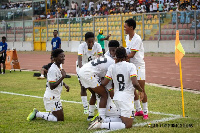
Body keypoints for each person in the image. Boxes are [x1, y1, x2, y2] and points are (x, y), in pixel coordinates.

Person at [88, 46, 144, 130]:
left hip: (117, 97)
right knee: (128, 124)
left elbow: (104, 83)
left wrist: (96, 79)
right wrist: (141, 91)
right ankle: (100, 125)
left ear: (116, 56)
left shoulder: (112, 67)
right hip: (126, 98)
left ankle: (103, 120)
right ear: (125, 56)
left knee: (123, 118)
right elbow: (135, 83)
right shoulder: (131, 66)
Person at [27, 49, 70, 122]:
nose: (63, 58)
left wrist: (64, 84)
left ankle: (40, 112)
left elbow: (57, 79)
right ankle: (37, 114)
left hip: (55, 96)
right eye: (61, 56)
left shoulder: (58, 67)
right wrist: (63, 76)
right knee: (59, 119)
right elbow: (52, 86)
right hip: (51, 97)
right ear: (55, 58)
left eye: (64, 56)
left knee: (60, 115)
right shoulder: (53, 69)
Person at [87, 40, 120, 121]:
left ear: (118, 49)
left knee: (102, 95)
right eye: (110, 50)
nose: (112, 52)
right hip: (99, 77)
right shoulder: (107, 56)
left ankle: (101, 113)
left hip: (103, 77)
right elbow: (104, 73)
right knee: (100, 94)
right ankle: (96, 115)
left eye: (114, 50)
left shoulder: (121, 54)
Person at [78, 54, 115, 123]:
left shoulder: (107, 57)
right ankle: (101, 117)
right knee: (104, 95)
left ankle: (90, 115)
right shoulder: (113, 64)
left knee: (94, 93)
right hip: (89, 73)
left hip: (82, 70)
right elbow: (106, 82)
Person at [124, 18, 148, 120]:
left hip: (139, 66)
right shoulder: (126, 37)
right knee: (132, 89)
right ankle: (138, 110)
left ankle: (146, 112)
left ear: (131, 27)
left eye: (125, 26)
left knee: (141, 90)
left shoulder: (137, 39)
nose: (124, 28)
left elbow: (132, 55)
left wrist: (120, 58)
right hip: (131, 66)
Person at [76, 32, 103, 114]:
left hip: (92, 68)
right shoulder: (81, 46)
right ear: (85, 41)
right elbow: (80, 59)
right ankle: (85, 107)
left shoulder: (97, 45)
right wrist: (81, 70)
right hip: (82, 67)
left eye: (92, 41)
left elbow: (101, 57)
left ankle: (92, 102)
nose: (91, 43)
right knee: (83, 87)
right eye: (89, 42)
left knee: (94, 87)